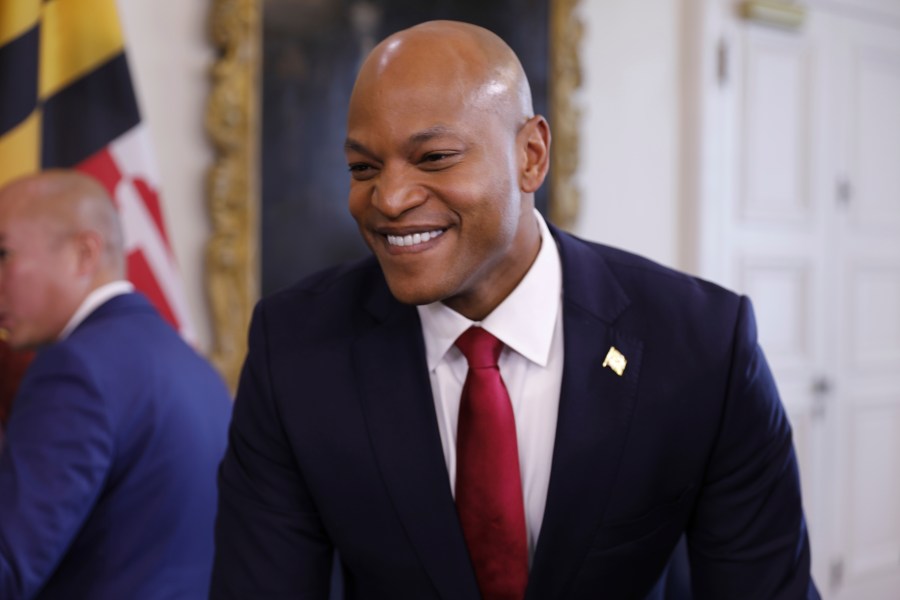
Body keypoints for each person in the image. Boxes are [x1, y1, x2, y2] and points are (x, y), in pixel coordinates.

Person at [211, 20, 819, 599]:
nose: (388, 199)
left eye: (434, 157)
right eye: (363, 168)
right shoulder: (294, 351)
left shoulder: (702, 347)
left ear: (531, 155)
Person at [0, 170, 232, 599]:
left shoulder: (75, 370)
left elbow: (7, 566)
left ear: (83, 253)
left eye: (3, 255)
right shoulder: (191, 365)